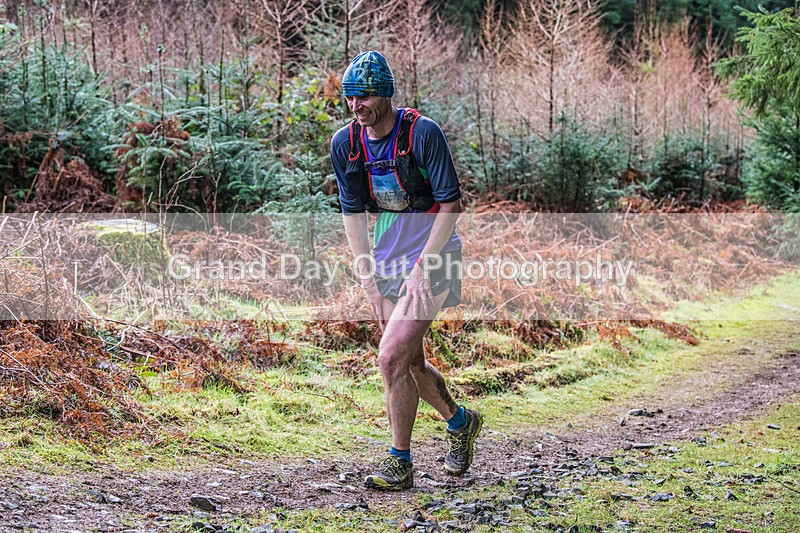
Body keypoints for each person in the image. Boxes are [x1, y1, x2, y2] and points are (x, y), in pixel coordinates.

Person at [329, 50, 483, 491]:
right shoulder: (347, 143)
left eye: (365, 97)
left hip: (434, 259)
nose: (356, 107)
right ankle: (460, 421)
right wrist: (369, 282)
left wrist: (423, 266)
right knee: (410, 362)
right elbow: (352, 213)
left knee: (390, 356)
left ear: (386, 94)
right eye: (349, 98)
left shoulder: (421, 133)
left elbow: (451, 203)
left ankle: (400, 462)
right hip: (387, 261)